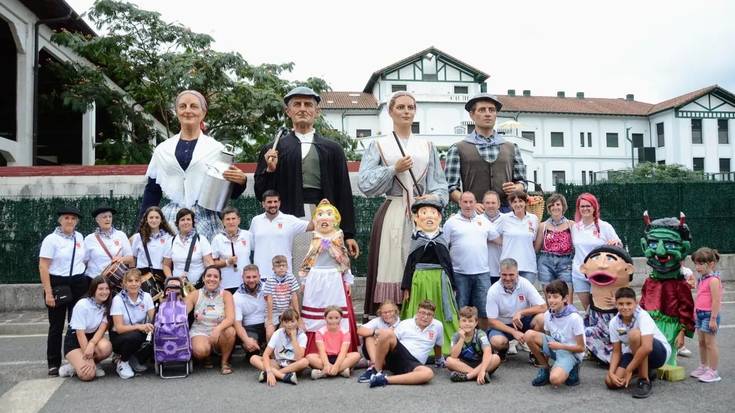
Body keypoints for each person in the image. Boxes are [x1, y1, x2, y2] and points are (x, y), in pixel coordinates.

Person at [358, 91, 448, 317]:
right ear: (390, 111)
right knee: (391, 265)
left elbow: (440, 185)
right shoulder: (378, 145)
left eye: (411, 107)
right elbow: (365, 183)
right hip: (393, 210)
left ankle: (423, 318)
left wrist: (430, 200)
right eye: (401, 107)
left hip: (423, 214)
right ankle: (389, 318)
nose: (406, 111)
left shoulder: (427, 146)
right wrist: (393, 169)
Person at [254, 86, 358, 256]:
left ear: (317, 111)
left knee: (324, 266)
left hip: (324, 215)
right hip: (286, 217)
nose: (303, 109)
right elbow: (261, 193)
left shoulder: (332, 149)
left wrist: (348, 234)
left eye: (308, 104)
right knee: (290, 267)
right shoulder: (274, 148)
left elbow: (344, 192)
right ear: (288, 111)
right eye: (297, 104)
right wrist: (269, 170)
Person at [140, 90, 247, 240]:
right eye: (182, 106)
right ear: (176, 112)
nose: (188, 110)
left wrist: (241, 181)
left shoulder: (216, 149)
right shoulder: (162, 149)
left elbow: (230, 192)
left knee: (206, 261)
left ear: (203, 113)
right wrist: (142, 226)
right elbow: (152, 190)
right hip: (171, 218)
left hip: (205, 219)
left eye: (194, 106)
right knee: (168, 261)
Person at [444, 93, 526, 213]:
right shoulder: (457, 149)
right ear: (472, 115)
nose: (488, 113)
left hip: (507, 215)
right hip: (474, 215)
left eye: (491, 110)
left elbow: (523, 182)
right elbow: (450, 188)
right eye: (482, 110)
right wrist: (469, 204)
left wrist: (516, 187)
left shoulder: (512, 148)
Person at [299, 199, 359, 354]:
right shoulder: (314, 236)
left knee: (337, 311)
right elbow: (309, 259)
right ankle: (314, 350)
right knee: (314, 315)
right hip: (315, 277)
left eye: (328, 214)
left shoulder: (338, 235)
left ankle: (340, 350)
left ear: (336, 219)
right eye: (320, 214)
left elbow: (344, 258)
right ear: (314, 219)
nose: (324, 217)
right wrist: (304, 280)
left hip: (334, 278)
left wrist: (347, 280)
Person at [401, 198, 458, 355]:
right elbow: (409, 264)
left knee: (441, 310)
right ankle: (415, 343)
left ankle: (446, 344)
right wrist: (406, 286)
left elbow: (448, 264)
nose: (429, 217)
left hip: (440, 280)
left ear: (439, 217)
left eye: (433, 213)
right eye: (424, 213)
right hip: (419, 280)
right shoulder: (416, 239)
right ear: (416, 218)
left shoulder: (441, 239)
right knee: (418, 310)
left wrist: (453, 285)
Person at [39, 206, 89, 376]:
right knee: (56, 325)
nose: (70, 221)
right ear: (60, 220)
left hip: (78, 282)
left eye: (73, 218)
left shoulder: (80, 237)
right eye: (66, 218)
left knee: (76, 324)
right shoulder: (51, 240)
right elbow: (43, 266)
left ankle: (75, 358)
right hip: (58, 283)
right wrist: (48, 292)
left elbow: (84, 259)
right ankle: (53, 362)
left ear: (77, 222)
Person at [443, 191, 500, 330]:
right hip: (459, 273)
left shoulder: (484, 221)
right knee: (460, 310)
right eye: (465, 202)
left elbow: (498, 240)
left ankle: (483, 342)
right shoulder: (451, 222)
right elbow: (443, 246)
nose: (468, 205)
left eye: (471, 202)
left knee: (484, 310)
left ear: (475, 203)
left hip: (482, 273)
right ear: (460, 203)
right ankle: (460, 342)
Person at [606, 287, 671, 398]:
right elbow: (616, 351)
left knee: (635, 335)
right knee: (611, 382)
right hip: (633, 352)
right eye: (621, 304)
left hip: (659, 353)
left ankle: (644, 380)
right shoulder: (614, 323)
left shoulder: (643, 316)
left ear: (636, 303)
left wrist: (629, 369)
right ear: (616, 304)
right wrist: (611, 373)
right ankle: (646, 371)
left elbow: (647, 347)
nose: (625, 307)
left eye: (628, 303)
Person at [368, 300, 444, 388]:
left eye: (429, 314)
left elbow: (438, 345)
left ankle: (382, 380)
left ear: (433, 316)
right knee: (387, 333)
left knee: (428, 373)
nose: (425, 317)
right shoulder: (406, 323)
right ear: (417, 313)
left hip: (414, 364)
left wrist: (439, 360)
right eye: (422, 313)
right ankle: (376, 370)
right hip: (398, 356)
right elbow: (390, 340)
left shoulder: (438, 326)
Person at [580, 245, 634, 364]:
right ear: (584, 269)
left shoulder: (627, 296)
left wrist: (619, 305)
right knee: (584, 332)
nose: (602, 265)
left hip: (619, 331)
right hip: (598, 327)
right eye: (596, 259)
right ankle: (599, 354)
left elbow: (635, 312)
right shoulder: (593, 297)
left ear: (628, 269)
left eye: (610, 259)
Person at [525, 280, 585, 387]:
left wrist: (560, 346)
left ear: (565, 298)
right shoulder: (548, 314)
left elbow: (581, 348)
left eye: (555, 297)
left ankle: (574, 366)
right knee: (529, 335)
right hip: (556, 348)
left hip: (571, 353)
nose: (551, 301)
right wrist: (547, 359)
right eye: (549, 297)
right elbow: (548, 339)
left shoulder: (574, 318)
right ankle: (545, 368)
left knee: (555, 380)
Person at [485, 258, 546, 360]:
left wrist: (521, 312)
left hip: (523, 321)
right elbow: (491, 321)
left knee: (542, 319)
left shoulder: (525, 283)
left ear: (517, 273)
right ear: (499, 273)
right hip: (503, 325)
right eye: (504, 275)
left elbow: (544, 307)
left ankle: (535, 352)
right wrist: (514, 332)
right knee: (498, 342)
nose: (508, 278)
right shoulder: (493, 290)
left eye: (511, 275)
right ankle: (503, 351)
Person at [571, 193, 621, 311]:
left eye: (588, 206)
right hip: (579, 274)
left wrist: (615, 243)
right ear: (578, 209)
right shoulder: (575, 228)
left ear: (594, 207)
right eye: (582, 206)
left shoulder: (605, 226)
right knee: (588, 310)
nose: (585, 209)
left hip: (600, 273)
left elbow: (618, 244)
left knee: (602, 307)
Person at [58, 276, 113, 381]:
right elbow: (80, 334)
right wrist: (89, 359)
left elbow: (101, 329)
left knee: (106, 347)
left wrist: (92, 344)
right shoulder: (82, 304)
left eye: (107, 289)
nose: (104, 292)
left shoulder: (107, 305)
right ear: (93, 290)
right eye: (100, 289)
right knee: (88, 376)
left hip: (92, 337)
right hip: (76, 340)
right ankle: (72, 366)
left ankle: (81, 365)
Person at [185, 265, 236, 374]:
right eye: (208, 276)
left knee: (231, 331)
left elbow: (230, 318)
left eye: (215, 277)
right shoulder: (194, 294)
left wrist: (217, 329)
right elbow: (183, 312)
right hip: (200, 330)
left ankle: (224, 362)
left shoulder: (226, 294)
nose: (212, 279)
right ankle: (206, 356)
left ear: (220, 280)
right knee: (200, 351)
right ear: (203, 278)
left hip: (220, 331)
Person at [249, 190, 312, 278]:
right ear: (263, 204)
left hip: (283, 274)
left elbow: (312, 226)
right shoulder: (256, 220)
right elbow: (251, 245)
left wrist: (322, 209)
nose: (273, 205)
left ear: (279, 203)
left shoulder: (289, 220)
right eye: (269, 202)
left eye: (275, 201)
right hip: (261, 273)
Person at [109, 269, 155, 379]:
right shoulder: (118, 299)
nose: (134, 283)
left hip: (140, 332)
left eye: (136, 280)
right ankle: (122, 361)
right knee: (134, 337)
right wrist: (140, 326)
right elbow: (119, 328)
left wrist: (152, 327)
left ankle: (133, 358)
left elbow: (154, 319)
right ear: (124, 284)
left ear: (140, 282)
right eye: (130, 281)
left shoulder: (147, 296)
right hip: (120, 336)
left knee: (156, 337)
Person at [249, 308, 309, 386]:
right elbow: (266, 354)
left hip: (293, 365)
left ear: (297, 321)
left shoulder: (302, 336)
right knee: (253, 358)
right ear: (282, 323)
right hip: (278, 363)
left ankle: (272, 374)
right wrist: (269, 371)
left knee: (305, 361)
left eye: (292, 321)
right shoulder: (277, 333)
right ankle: (284, 376)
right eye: (286, 322)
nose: (290, 325)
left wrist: (294, 338)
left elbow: (299, 357)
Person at [690, 247, 723, 383]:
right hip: (700, 314)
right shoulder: (702, 279)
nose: (697, 267)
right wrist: (695, 313)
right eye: (696, 264)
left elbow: (716, 300)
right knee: (701, 342)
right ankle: (704, 366)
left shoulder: (714, 280)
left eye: (701, 264)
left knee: (710, 343)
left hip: (710, 315)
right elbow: (699, 297)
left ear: (711, 264)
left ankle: (713, 371)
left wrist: (713, 319)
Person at [446, 306, 501, 385]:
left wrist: (482, 370)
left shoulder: (481, 334)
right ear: (459, 322)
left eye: (470, 321)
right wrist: (461, 338)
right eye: (464, 321)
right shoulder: (456, 336)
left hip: (481, 364)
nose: (467, 324)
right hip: (463, 365)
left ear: (476, 323)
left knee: (496, 358)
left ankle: (468, 376)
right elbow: (454, 356)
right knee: (449, 360)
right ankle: (478, 375)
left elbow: (487, 352)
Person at [130, 206, 175, 300]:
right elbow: (133, 258)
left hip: (160, 276)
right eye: (151, 217)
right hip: (142, 276)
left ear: (161, 220)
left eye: (157, 217)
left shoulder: (168, 238)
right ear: (146, 219)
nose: (154, 220)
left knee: (160, 307)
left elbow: (168, 261)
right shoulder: (138, 237)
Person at [162, 208, 214, 287]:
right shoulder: (171, 242)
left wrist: (209, 281)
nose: (186, 222)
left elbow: (209, 263)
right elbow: (166, 265)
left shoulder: (201, 240)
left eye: (188, 219)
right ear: (177, 223)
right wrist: (171, 280)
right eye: (182, 220)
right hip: (178, 287)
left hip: (199, 286)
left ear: (193, 222)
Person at [496, 191, 539, 284]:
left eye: (520, 201)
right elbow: (492, 234)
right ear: (511, 204)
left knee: (525, 297)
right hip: (508, 267)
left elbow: (534, 240)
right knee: (509, 297)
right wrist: (505, 243)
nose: (518, 204)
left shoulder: (533, 218)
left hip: (528, 267)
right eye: (514, 202)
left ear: (526, 203)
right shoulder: (504, 218)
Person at [307, 306, 361, 379]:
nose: (333, 320)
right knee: (309, 357)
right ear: (325, 318)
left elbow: (343, 352)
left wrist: (337, 365)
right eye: (330, 318)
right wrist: (326, 364)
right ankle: (341, 371)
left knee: (356, 355)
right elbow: (322, 351)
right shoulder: (320, 332)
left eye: (336, 318)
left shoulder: (345, 332)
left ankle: (324, 373)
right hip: (325, 358)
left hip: (340, 358)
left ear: (341, 318)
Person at [84, 206, 134, 284]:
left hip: (116, 280)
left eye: (110, 216)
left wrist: (121, 259)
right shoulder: (89, 239)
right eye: (104, 217)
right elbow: (84, 261)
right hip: (94, 280)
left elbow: (130, 258)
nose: (108, 219)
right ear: (97, 220)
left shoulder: (121, 235)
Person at [534, 193, 574, 291]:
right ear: (549, 208)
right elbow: (536, 249)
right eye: (552, 205)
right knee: (549, 295)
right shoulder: (543, 226)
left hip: (566, 262)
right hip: (545, 263)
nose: (555, 207)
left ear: (563, 206)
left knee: (567, 294)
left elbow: (577, 246)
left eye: (558, 204)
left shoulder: (571, 225)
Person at [211, 206, 253, 293]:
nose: (231, 222)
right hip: (225, 285)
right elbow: (213, 263)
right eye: (228, 219)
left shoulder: (248, 235)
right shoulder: (217, 239)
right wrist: (227, 262)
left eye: (233, 218)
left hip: (246, 283)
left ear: (239, 220)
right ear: (223, 221)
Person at [356, 300, 400, 382]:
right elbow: (359, 330)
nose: (387, 315)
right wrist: (376, 332)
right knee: (369, 336)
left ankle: (374, 366)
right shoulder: (378, 320)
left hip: (390, 353)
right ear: (380, 313)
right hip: (374, 351)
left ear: (395, 311)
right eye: (384, 312)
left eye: (390, 311)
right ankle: (375, 365)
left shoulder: (401, 323)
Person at [233, 264, 267, 360]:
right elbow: (237, 324)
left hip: (268, 324)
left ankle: (266, 349)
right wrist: (246, 340)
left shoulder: (268, 288)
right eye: (248, 277)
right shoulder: (237, 296)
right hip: (250, 328)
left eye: (254, 277)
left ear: (259, 277)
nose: (251, 280)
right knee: (252, 350)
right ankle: (258, 350)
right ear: (243, 278)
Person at [264, 255, 301, 341]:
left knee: (283, 332)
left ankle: (282, 352)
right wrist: (269, 319)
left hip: (286, 310)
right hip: (273, 311)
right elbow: (269, 300)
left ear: (287, 267)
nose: (281, 268)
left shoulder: (290, 278)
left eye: (283, 266)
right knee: (270, 333)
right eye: (278, 266)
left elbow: (294, 297)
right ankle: (270, 353)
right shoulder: (270, 280)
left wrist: (298, 316)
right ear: (273, 268)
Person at [481, 191, 505, 284]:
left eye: (493, 203)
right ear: (483, 204)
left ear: (499, 204)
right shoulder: (476, 220)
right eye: (487, 203)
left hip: (502, 270)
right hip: (482, 271)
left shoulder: (507, 219)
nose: (490, 205)